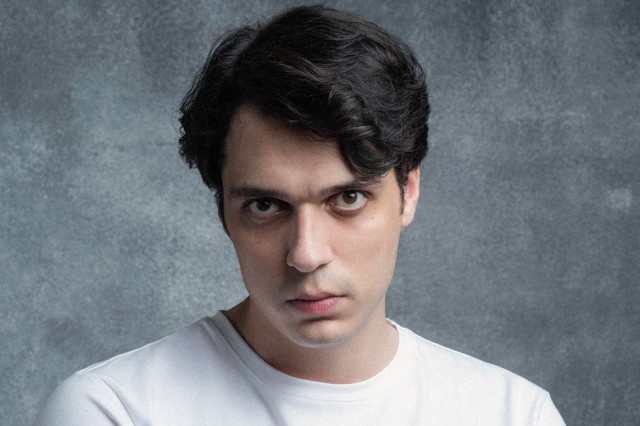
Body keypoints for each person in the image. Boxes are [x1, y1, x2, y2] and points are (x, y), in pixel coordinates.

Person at [36, 5, 565, 425]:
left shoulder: (513, 414)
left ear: (407, 191)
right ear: (222, 211)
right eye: (265, 206)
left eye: (348, 199)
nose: (306, 255)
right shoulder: (115, 411)